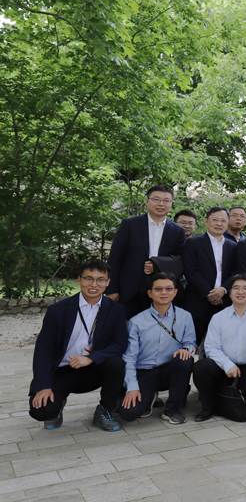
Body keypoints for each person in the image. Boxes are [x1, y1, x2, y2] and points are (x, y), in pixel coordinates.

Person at [29, 260, 127, 432]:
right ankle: (57, 405)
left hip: (94, 368)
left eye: (100, 279)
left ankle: (105, 410)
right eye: (88, 278)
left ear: (108, 282)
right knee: (41, 411)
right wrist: (43, 386)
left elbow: (120, 344)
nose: (94, 284)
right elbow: (44, 350)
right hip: (63, 370)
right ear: (79, 280)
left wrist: (91, 358)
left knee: (116, 363)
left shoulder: (115, 309)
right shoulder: (58, 310)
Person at [119, 272, 196, 424]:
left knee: (185, 360)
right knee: (129, 414)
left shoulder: (185, 316)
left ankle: (173, 408)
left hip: (169, 370)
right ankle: (149, 396)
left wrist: (186, 349)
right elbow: (129, 358)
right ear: (150, 293)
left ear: (175, 292)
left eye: (168, 289)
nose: (164, 293)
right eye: (158, 289)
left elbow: (191, 344)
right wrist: (132, 387)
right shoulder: (136, 322)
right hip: (144, 372)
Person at [193, 273, 246, 422]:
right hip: (224, 367)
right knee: (201, 367)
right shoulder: (218, 318)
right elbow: (211, 347)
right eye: (236, 288)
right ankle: (208, 407)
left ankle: (239, 400)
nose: (240, 292)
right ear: (230, 292)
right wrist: (228, 365)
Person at [106, 184, 186, 318]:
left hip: (161, 290)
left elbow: (180, 260)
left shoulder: (177, 231)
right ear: (147, 201)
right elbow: (115, 258)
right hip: (130, 289)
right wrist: (112, 289)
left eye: (166, 200)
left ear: (171, 203)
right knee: (126, 326)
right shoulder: (130, 225)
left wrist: (157, 265)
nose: (161, 204)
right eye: (156, 199)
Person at [182, 206, 236, 344]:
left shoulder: (232, 246)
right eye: (215, 220)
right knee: (194, 342)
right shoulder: (193, 243)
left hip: (224, 302)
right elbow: (190, 271)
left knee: (222, 342)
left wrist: (223, 290)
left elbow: (235, 271)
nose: (219, 224)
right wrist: (210, 294)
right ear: (206, 221)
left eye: (223, 220)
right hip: (198, 301)